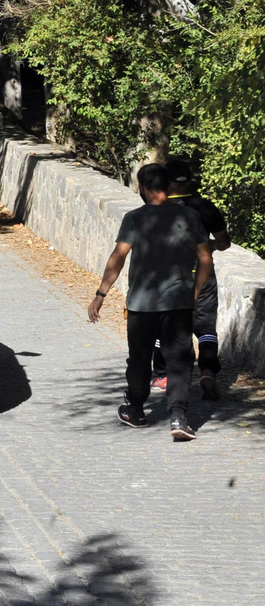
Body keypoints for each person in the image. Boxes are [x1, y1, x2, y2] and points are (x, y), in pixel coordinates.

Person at [87, 164, 213, 440]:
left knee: (140, 358)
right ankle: (179, 417)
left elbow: (118, 257)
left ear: (142, 188)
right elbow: (206, 259)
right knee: (179, 359)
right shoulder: (191, 217)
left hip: (142, 305)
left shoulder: (135, 218)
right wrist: (194, 292)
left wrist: (101, 294)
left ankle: (135, 410)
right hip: (179, 302)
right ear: (167, 186)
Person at [152, 159, 230, 399]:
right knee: (206, 326)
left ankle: (163, 374)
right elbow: (224, 243)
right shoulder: (205, 206)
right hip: (202, 273)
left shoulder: (157, 207)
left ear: (166, 181)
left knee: (163, 326)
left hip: (167, 276)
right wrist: (208, 246)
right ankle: (207, 370)